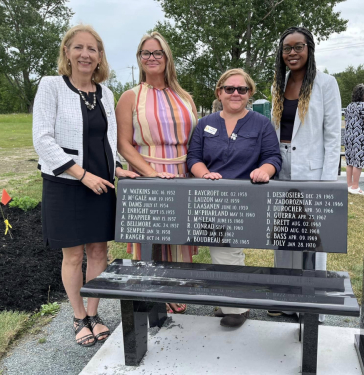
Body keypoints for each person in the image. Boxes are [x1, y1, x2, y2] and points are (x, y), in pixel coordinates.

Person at [32, 24, 138, 347]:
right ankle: (78, 316)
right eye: (78, 47)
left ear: (100, 56)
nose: (85, 54)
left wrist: (120, 169)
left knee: (99, 250)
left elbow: (107, 141)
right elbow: (43, 139)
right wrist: (82, 174)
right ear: (67, 51)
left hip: (102, 184)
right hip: (66, 184)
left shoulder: (106, 93)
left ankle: (94, 313)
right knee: (73, 255)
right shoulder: (51, 87)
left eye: (92, 49)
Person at [187, 68, 282, 328]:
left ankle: (236, 306)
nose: (236, 93)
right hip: (212, 196)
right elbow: (193, 158)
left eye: (242, 89)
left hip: (245, 199)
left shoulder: (261, 124)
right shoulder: (205, 123)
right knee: (222, 249)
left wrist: (265, 171)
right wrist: (204, 174)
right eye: (229, 89)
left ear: (249, 93)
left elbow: (274, 157)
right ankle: (230, 299)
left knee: (229, 249)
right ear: (220, 92)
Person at [116, 31, 198, 314]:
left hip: (181, 170)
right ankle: (152, 287)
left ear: (166, 58)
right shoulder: (130, 97)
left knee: (179, 233)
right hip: (146, 171)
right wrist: (152, 172)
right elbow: (123, 144)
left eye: (157, 53)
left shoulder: (185, 97)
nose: (151, 58)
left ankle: (177, 286)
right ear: (139, 59)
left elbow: (195, 140)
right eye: (145, 53)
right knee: (151, 235)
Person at [269, 26, 341, 317]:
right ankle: (285, 298)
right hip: (281, 168)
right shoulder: (278, 85)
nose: (292, 53)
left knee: (313, 238)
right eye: (287, 48)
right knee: (283, 235)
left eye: (298, 47)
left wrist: (327, 181)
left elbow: (333, 135)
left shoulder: (326, 84)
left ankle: (312, 303)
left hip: (312, 171)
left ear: (309, 49)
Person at [344, 84, 364, 195]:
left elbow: (346, 122)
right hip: (360, 138)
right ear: (363, 95)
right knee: (358, 162)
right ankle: (355, 187)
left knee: (350, 162)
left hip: (349, 137)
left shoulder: (349, 106)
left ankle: (349, 185)